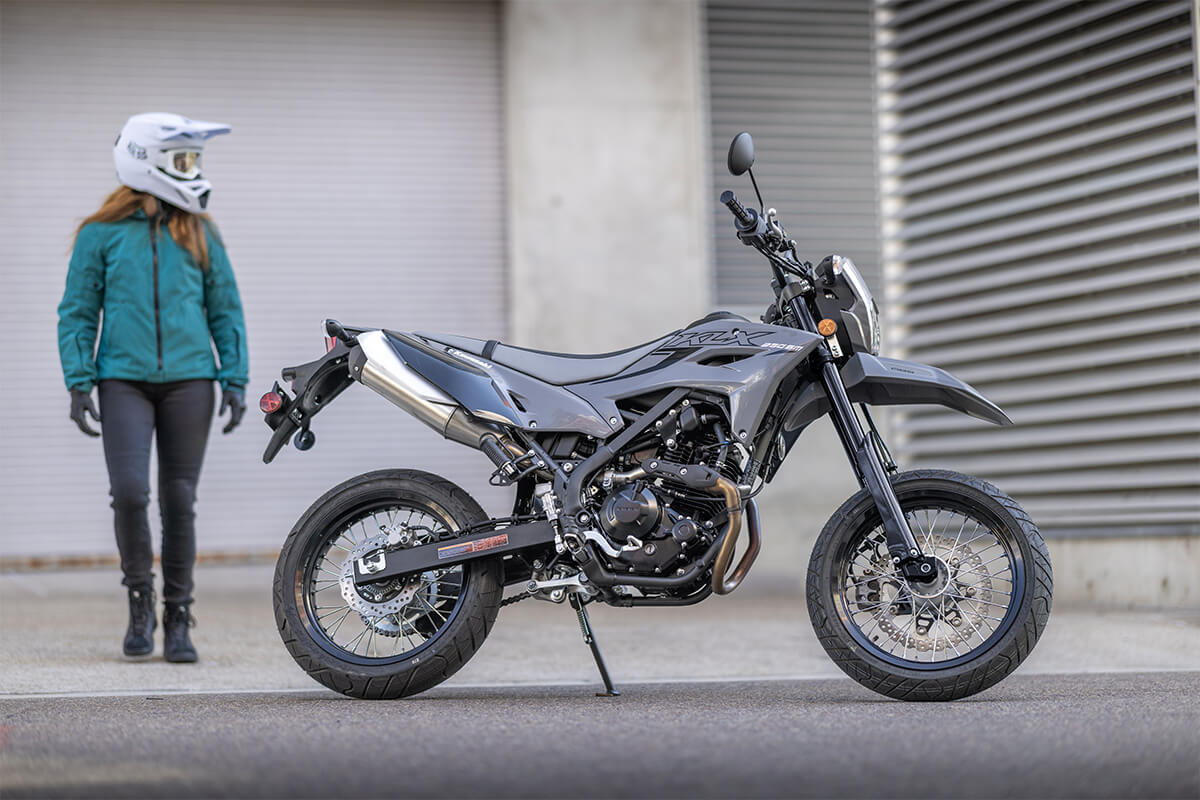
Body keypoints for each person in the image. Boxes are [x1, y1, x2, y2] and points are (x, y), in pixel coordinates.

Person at [57, 113, 248, 662]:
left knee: (179, 501)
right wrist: (79, 380)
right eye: (182, 162)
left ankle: (179, 617)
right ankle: (140, 603)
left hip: (192, 380)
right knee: (131, 494)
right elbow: (76, 311)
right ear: (146, 162)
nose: (191, 172)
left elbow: (225, 308)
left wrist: (234, 376)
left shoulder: (200, 230)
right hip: (124, 381)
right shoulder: (100, 235)